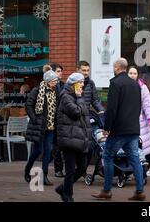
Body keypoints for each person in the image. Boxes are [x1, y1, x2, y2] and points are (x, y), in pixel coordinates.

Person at [92, 58, 146, 201]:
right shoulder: (136, 85)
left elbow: (111, 109)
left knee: (107, 156)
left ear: (116, 67)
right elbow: (138, 107)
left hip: (118, 130)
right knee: (135, 159)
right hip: (133, 129)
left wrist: (106, 128)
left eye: (113, 67)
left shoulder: (115, 83)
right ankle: (139, 191)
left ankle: (107, 190)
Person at [54, 73, 92, 202]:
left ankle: (63, 188)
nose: (82, 85)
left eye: (83, 82)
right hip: (68, 138)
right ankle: (67, 195)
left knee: (82, 167)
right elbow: (76, 113)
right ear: (73, 84)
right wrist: (80, 98)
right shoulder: (66, 97)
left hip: (80, 138)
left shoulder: (77, 96)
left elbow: (84, 115)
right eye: (80, 82)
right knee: (70, 170)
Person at [24, 69, 60, 186]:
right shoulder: (37, 90)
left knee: (48, 151)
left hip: (50, 126)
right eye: (54, 80)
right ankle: (28, 167)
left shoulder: (56, 91)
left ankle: (44, 176)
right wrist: (34, 119)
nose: (56, 82)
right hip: (39, 126)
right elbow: (28, 105)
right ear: (48, 81)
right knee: (38, 150)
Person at [77, 61, 105, 176]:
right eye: (83, 70)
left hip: (87, 118)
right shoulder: (73, 83)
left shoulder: (90, 83)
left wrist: (101, 110)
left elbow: (95, 100)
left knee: (92, 145)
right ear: (77, 69)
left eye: (88, 70)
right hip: (76, 118)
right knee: (81, 147)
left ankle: (89, 170)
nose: (86, 73)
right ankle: (79, 170)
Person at [128, 66, 150, 169]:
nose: (132, 75)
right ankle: (129, 168)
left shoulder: (143, 88)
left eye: (134, 73)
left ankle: (140, 170)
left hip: (141, 121)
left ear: (137, 75)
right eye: (130, 73)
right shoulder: (124, 86)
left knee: (139, 146)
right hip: (127, 121)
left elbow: (147, 104)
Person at [49, 63, 66, 178]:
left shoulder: (64, 85)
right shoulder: (49, 86)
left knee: (62, 145)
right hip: (53, 120)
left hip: (63, 119)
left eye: (61, 71)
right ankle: (58, 169)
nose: (61, 73)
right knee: (56, 145)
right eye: (59, 71)